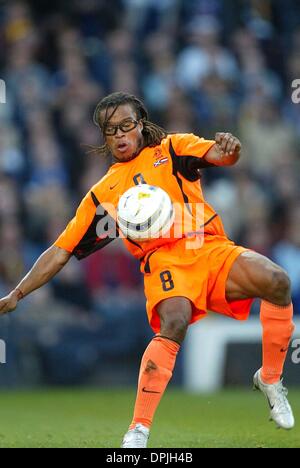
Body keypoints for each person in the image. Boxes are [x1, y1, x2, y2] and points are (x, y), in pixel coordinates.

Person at [0, 92, 295, 448]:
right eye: (111, 130)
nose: (120, 135)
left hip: (209, 247)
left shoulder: (173, 149)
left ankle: (270, 378)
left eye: (126, 125)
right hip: (164, 260)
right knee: (175, 321)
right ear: (105, 138)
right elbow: (61, 250)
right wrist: (18, 293)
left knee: (277, 281)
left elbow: (222, 155)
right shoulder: (104, 192)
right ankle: (138, 429)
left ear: (140, 123)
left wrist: (232, 147)